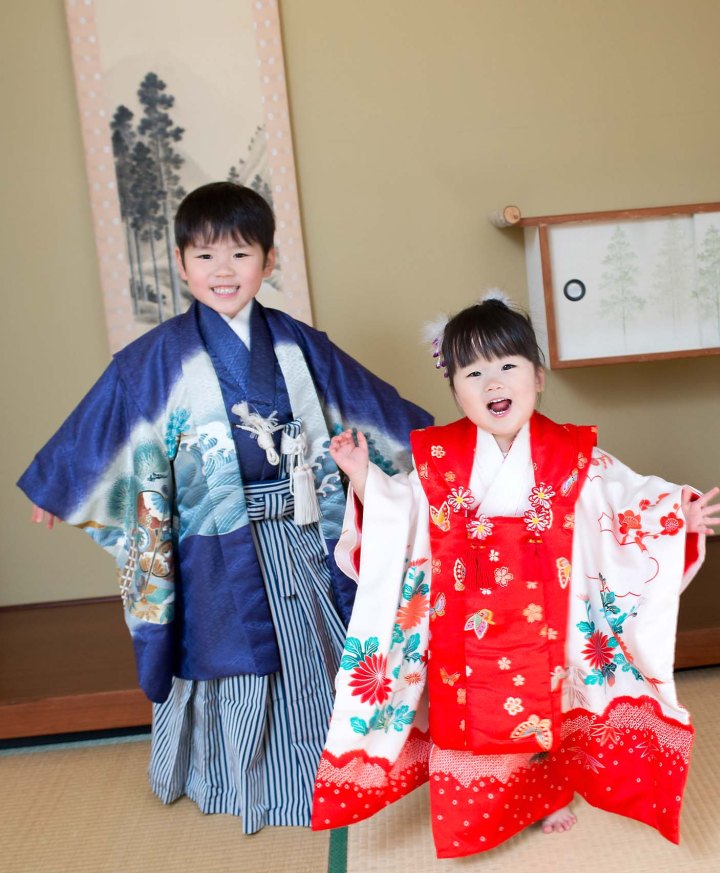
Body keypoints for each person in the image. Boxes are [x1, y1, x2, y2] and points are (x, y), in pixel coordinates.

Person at [18, 181, 431, 834]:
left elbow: (371, 404)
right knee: (227, 650)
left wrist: (444, 455)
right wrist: (59, 482)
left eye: (240, 254)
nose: (223, 271)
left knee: (320, 647)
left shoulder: (299, 344)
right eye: (205, 256)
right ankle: (238, 776)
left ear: (268, 261)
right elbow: (109, 419)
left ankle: (342, 770)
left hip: (299, 529)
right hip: (216, 541)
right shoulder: (155, 357)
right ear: (181, 264)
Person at [311, 292, 720, 858]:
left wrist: (675, 516)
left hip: (550, 609)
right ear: (455, 389)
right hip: (464, 618)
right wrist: (364, 480)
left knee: (552, 706)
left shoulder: (571, 452)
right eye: (474, 372)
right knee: (470, 714)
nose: (493, 383)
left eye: (508, 366)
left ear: (537, 376)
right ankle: (478, 813)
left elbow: (619, 501)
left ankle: (552, 794)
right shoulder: (439, 456)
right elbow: (402, 516)